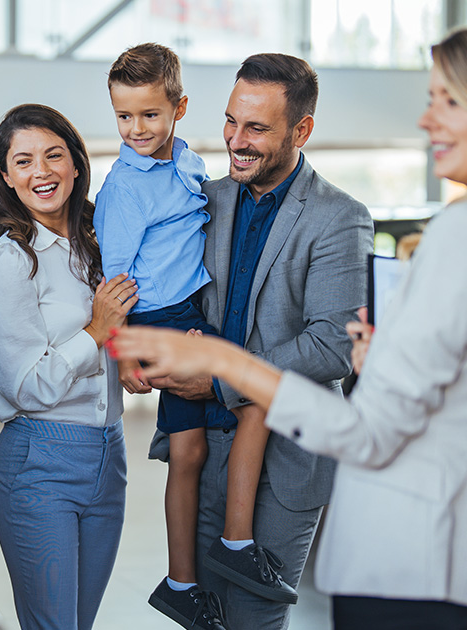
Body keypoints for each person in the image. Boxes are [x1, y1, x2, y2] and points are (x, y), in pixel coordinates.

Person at [109, 26, 467, 630]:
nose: (426, 120)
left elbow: (372, 430)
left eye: (448, 100)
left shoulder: (459, 231)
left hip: (420, 547)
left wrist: (227, 369)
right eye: (232, 122)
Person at [143, 53, 374, 630]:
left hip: (286, 463)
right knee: (201, 616)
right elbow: (168, 291)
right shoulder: (203, 199)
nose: (235, 141)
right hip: (200, 444)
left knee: (252, 618)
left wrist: (223, 377)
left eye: (256, 128)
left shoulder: (340, 218)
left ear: (302, 130)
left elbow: (333, 345)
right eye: (230, 121)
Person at [93, 42, 277, 630]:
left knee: (227, 422)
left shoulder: (192, 164)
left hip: (195, 312)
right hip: (158, 320)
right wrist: (124, 353)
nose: (136, 128)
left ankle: (218, 552)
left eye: (150, 114)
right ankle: (193, 573)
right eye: (124, 116)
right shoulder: (124, 188)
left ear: (179, 108)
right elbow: (115, 281)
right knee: (196, 445)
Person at [0, 103, 139, 630]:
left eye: (53, 155)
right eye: (23, 162)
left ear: (76, 164)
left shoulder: (99, 243)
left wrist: (128, 358)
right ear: (6, 177)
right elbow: (25, 385)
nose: (41, 172)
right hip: (38, 460)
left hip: (108, 454)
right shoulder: (12, 259)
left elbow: (115, 337)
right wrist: (96, 331)